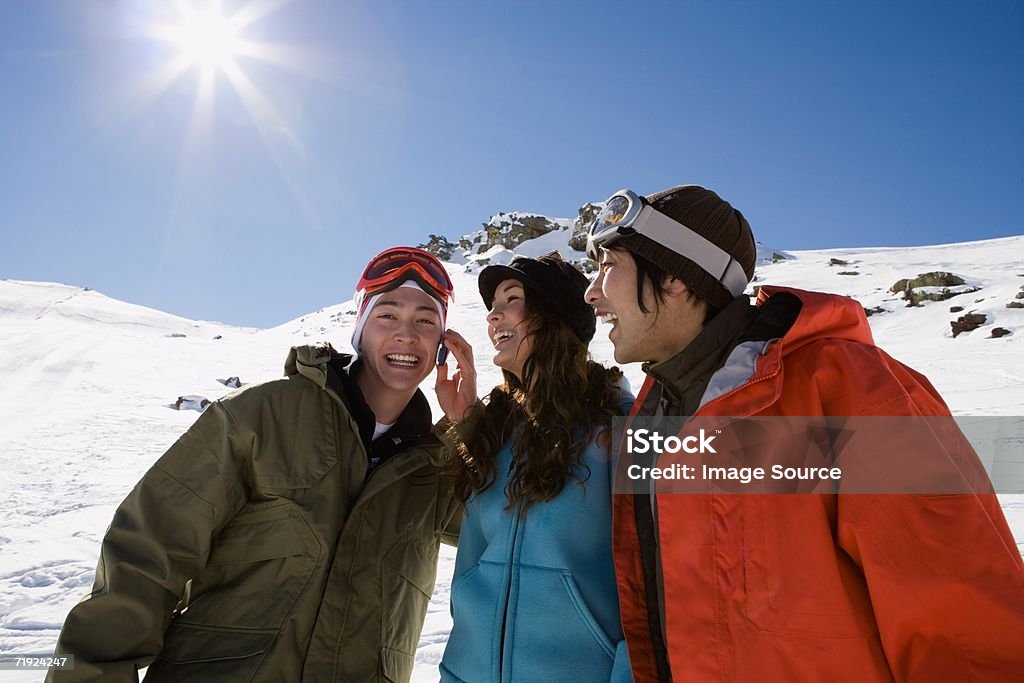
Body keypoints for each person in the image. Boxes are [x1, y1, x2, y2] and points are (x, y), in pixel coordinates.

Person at [583, 186, 1024, 682]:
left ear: (675, 276)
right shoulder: (653, 412)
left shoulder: (849, 388)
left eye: (608, 266)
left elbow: (966, 628)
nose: (592, 292)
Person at [47, 246, 463, 683]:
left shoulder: (436, 464)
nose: (407, 334)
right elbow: (147, 552)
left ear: (442, 344)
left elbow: (507, 522)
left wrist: (469, 427)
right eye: (387, 315)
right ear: (360, 329)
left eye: (426, 320)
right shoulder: (259, 416)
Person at [434, 253, 634, 682]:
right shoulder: (494, 432)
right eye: (493, 304)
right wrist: (465, 426)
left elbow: (661, 591)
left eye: (512, 298)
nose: (493, 314)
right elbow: (469, 564)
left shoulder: (624, 428)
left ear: (555, 315)